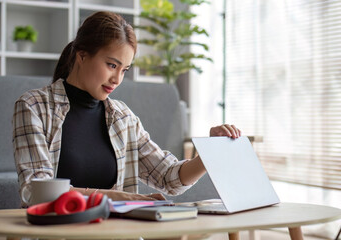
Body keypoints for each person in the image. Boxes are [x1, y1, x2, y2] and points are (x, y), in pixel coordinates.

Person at [13, 11, 241, 206]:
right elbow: (39, 193)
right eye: (112, 65)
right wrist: (123, 198)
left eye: (125, 70)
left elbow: (167, 178)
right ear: (81, 55)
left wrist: (210, 153)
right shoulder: (34, 107)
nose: (117, 79)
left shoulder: (122, 117)